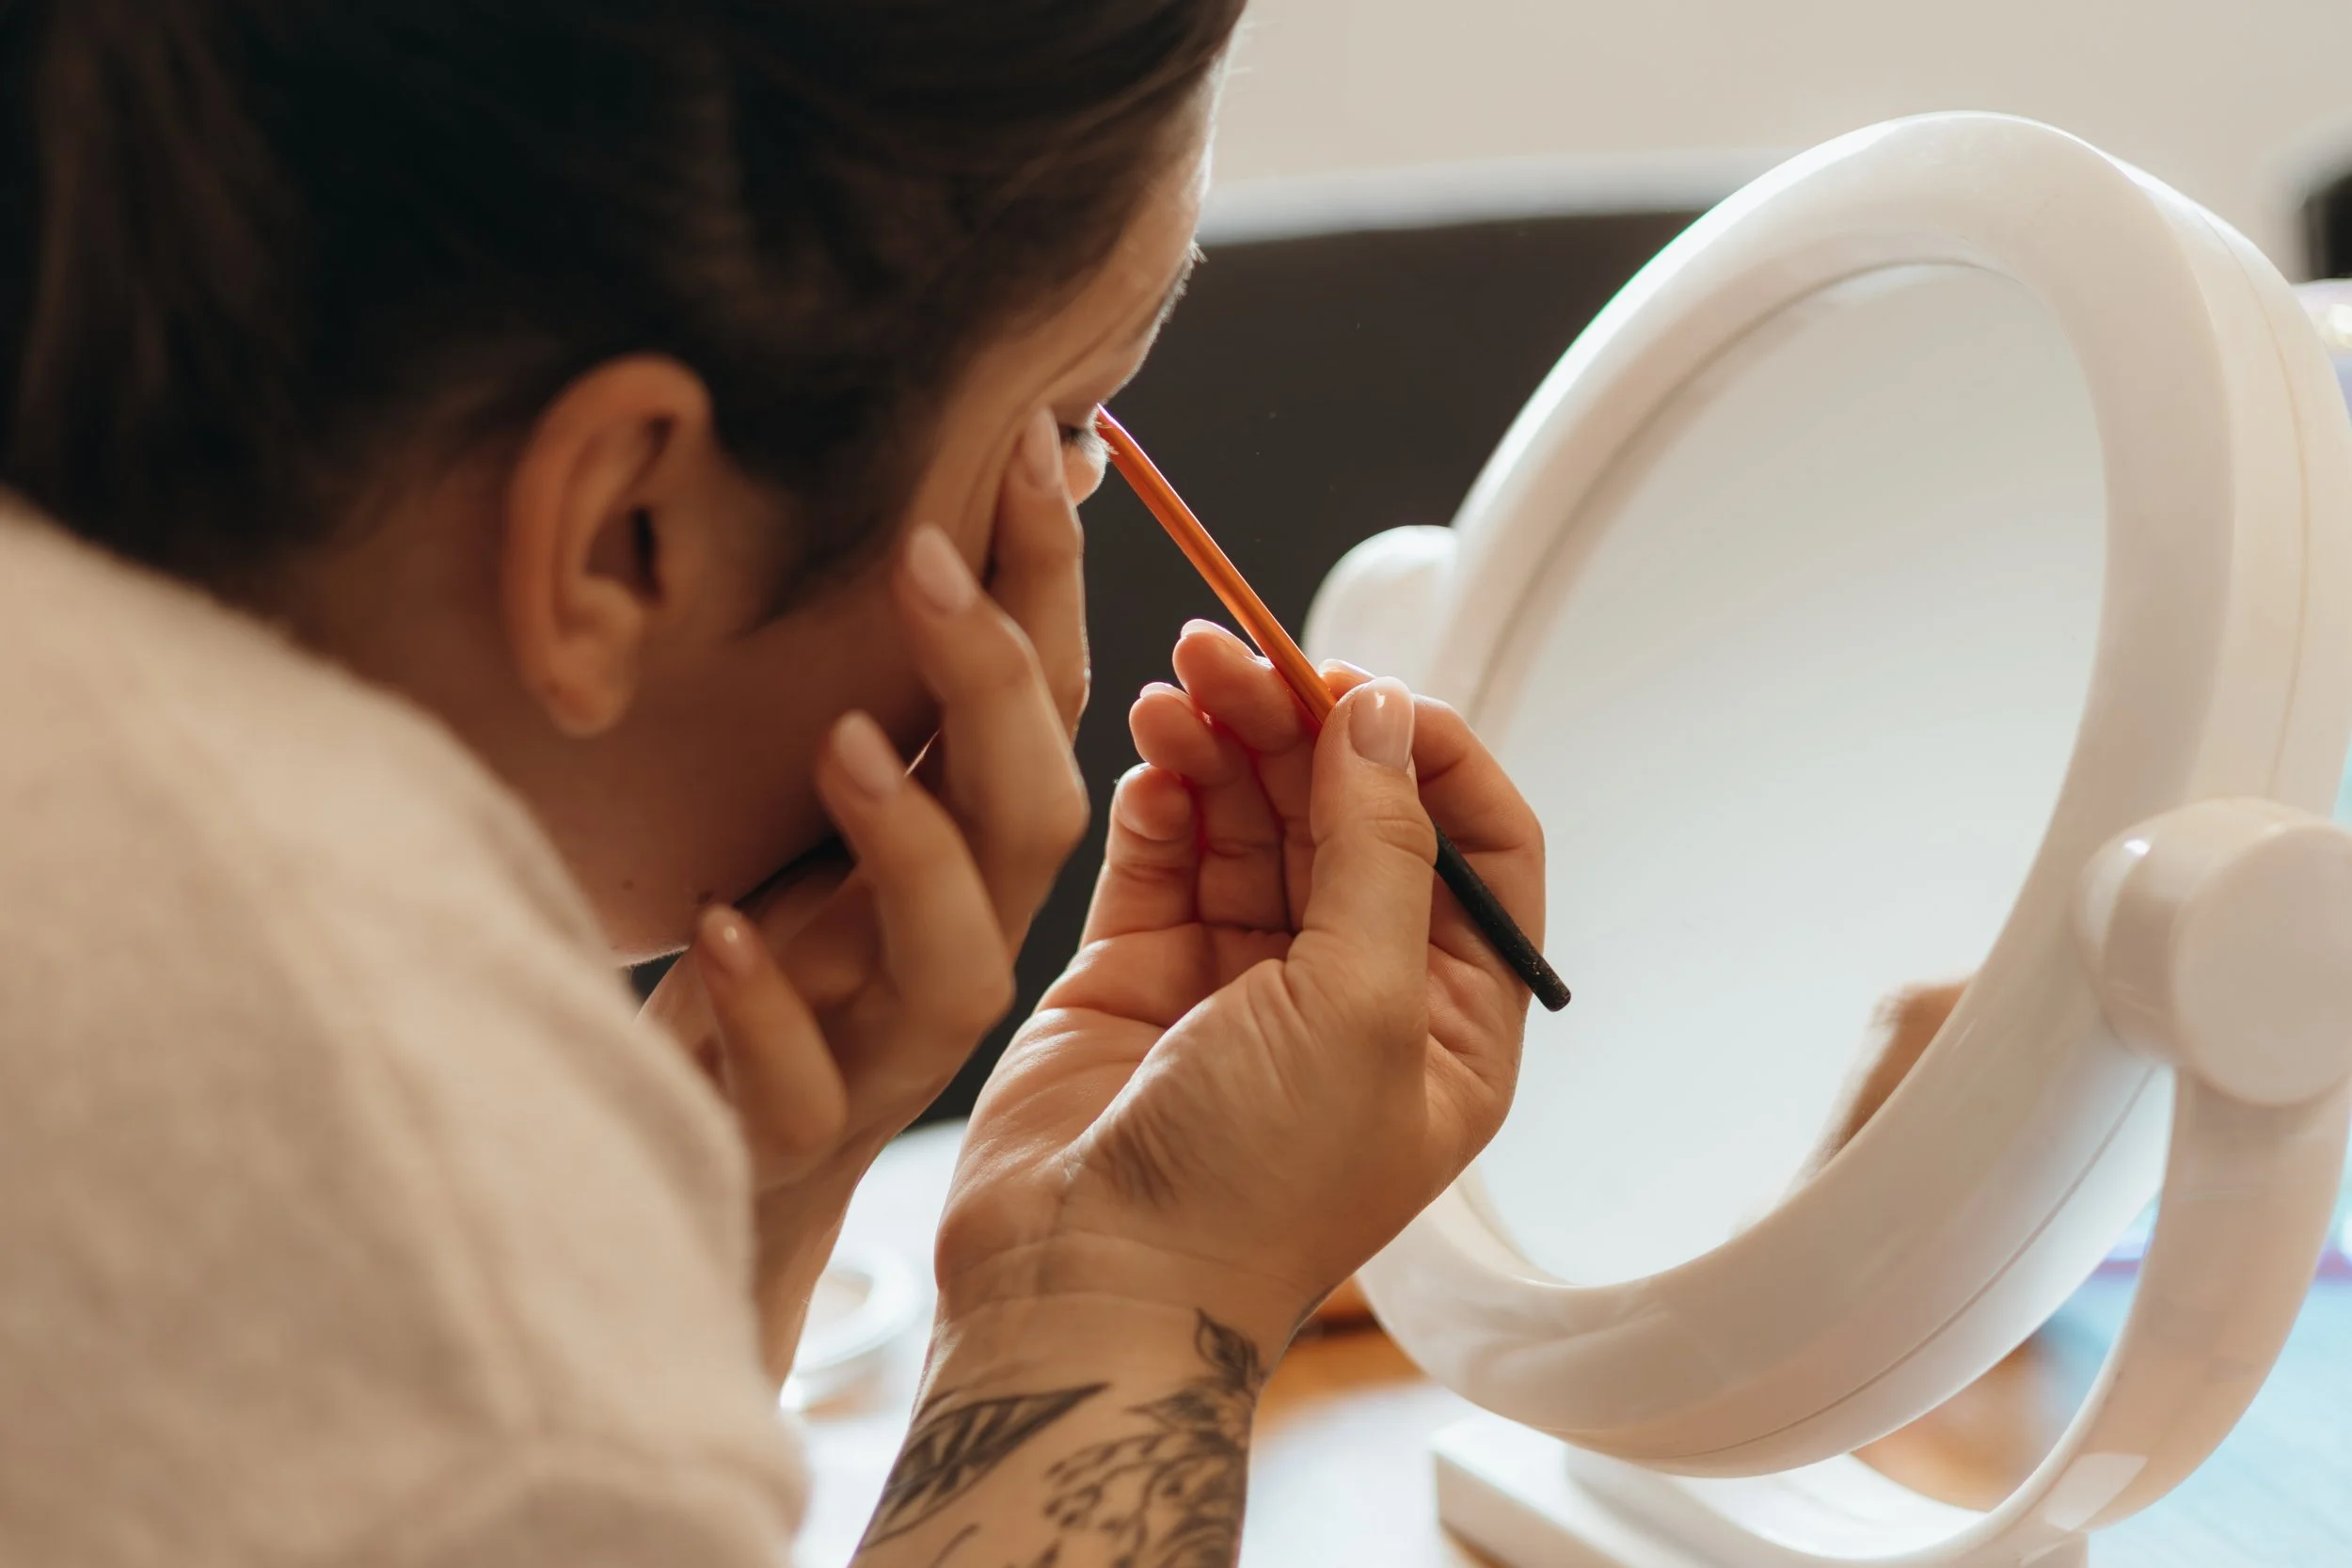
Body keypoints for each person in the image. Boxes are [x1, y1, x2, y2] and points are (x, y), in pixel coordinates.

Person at [0, 3, 1545, 1564]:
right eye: (1068, 426)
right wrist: (1127, 1301)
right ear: (627, 536)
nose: (1074, 510)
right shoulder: (395, 1256)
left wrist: (707, 1226)